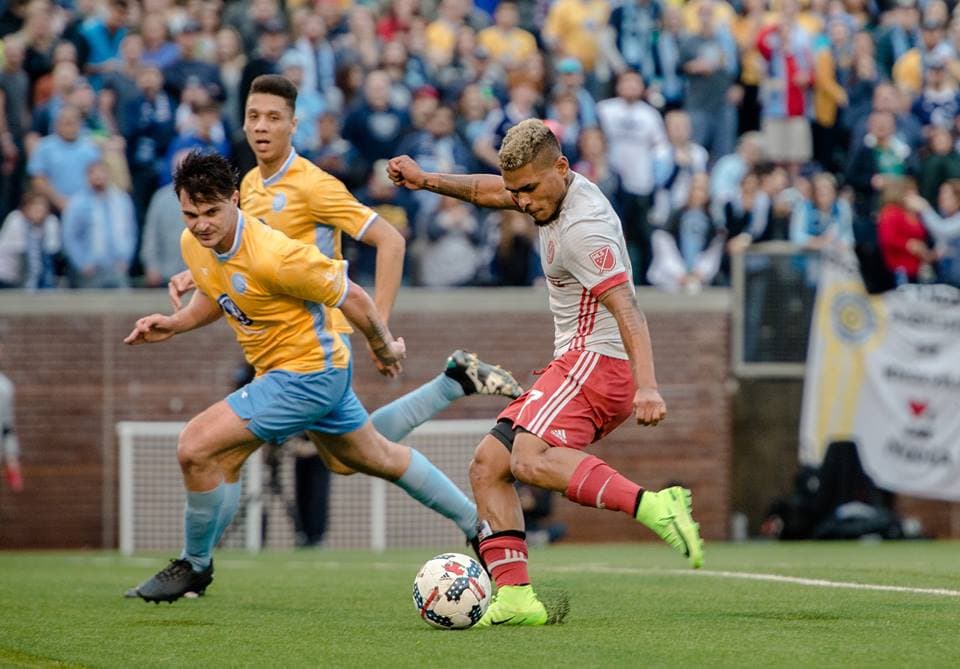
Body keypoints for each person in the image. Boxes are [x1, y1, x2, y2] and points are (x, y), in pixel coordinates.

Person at [160, 75, 521, 572]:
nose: (261, 127)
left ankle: (195, 565)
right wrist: (196, 270)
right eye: (253, 116)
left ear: (293, 123)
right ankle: (452, 391)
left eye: (273, 117)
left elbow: (390, 240)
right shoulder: (243, 188)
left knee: (216, 447)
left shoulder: (312, 184)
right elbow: (238, 253)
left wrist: (383, 331)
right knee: (353, 456)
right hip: (277, 344)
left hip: (318, 340)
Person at [124, 151, 484, 604]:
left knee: (195, 446)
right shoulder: (194, 242)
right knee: (373, 456)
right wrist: (173, 324)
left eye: (212, 212)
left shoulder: (277, 255)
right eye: (191, 214)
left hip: (307, 374)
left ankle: (194, 566)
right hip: (297, 373)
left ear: (236, 200)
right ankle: (481, 525)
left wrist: (383, 347)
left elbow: (353, 297)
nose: (201, 225)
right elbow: (218, 296)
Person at [388, 119, 704, 628]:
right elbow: (490, 189)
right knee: (488, 464)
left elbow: (628, 310)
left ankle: (654, 506)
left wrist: (648, 385)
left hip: (598, 364)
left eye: (529, 190)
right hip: (579, 363)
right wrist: (428, 180)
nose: (523, 202)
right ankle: (515, 599)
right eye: (517, 191)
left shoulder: (584, 228)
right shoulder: (544, 192)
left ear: (561, 167)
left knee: (527, 460)